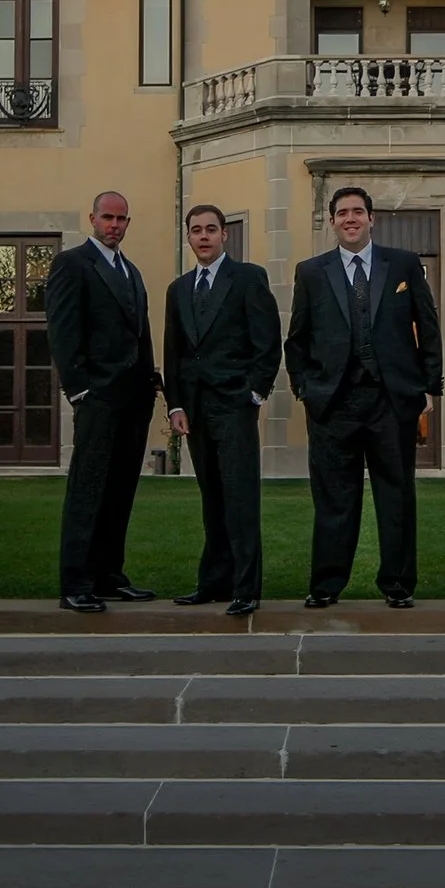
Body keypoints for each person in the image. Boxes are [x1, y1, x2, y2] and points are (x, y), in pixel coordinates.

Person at [282, 185, 442, 608]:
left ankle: (398, 585)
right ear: (332, 221)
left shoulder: (403, 264)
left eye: (358, 211)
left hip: (391, 401)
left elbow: (428, 328)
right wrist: (305, 389)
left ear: (372, 218)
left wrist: (430, 386)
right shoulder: (312, 271)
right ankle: (326, 585)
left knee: (396, 496)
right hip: (333, 404)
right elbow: (296, 339)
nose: (350, 218)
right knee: (334, 498)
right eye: (341, 213)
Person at [43, 190, 161, 613]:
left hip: (134, 401)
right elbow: (62, 331)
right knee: (88, 490)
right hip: (98, 399)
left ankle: (110, 576)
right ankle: (76, 582)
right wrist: (79, 391)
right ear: (92, 218)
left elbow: (141, 335)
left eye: (121, 219)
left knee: (120, 491)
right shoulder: (72, 264)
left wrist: (151, 384)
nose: (114, 225)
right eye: (107, 218)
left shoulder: (132, 272)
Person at [162, 203, 280, 616]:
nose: (204, 236)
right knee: (211, 499)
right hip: (194, 411)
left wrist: (254, 394)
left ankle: (246, 589)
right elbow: (173, 353)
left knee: (240, 499)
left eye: (211, 229)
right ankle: (213, 583)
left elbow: (267, 342)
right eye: (196, 230)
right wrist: (175, 405)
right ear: (189, 237)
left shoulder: (248, 278)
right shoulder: (178, 290)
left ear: (224, 234)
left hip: (234, 406)